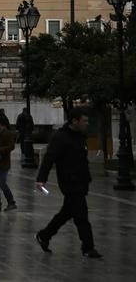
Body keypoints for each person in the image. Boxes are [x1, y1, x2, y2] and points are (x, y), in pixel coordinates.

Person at [35, 106, 102, 259]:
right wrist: (41, 179)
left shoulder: (79, 136)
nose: (87, 123)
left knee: (67, 213)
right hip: (70, 183)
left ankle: (44, 235)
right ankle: (88, 247)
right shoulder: (61, 137)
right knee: (81, 216)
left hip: (81, 181)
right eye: (84, 121)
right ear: (75, 121)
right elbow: (49, 158)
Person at [0, 115, 17, 210]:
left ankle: (11, 202)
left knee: (1, 183)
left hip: (3, 163)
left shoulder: (8, 133)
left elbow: (11, 147)